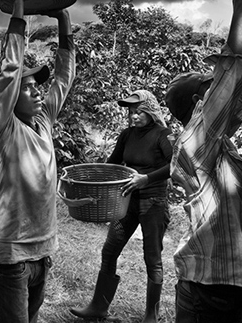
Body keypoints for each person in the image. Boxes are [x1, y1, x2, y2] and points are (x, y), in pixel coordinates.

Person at [165, 0, 242, 323]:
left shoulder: (215, 142)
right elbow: (238, 76)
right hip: (206, 296)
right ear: (198, 101)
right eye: (210, 84)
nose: (218, 86)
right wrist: (240, 2)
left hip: (222, 290)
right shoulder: (198, 140)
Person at [0, 0, 76, 323]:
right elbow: (8, 75)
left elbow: (63, 80)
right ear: (11, 99)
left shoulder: (44, 123)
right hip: (11, 257)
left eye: (38, 85)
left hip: (43, 251)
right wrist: (19, 12)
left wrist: (64, 21)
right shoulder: (3, 128)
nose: (38, 91)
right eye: (29, 87)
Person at [71, 90, 173, 323]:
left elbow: (175, 165)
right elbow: (113, 163)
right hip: (125, 202)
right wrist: (92, 181)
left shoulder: (163, 135)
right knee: (109, 250)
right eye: (131, 112)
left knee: (152, 258)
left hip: (152, 202)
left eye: (139, 112)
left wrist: (145, 179)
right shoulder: (127, 135)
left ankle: (151, 316)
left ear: (150, 111)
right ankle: (98, 307)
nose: (133, 116)